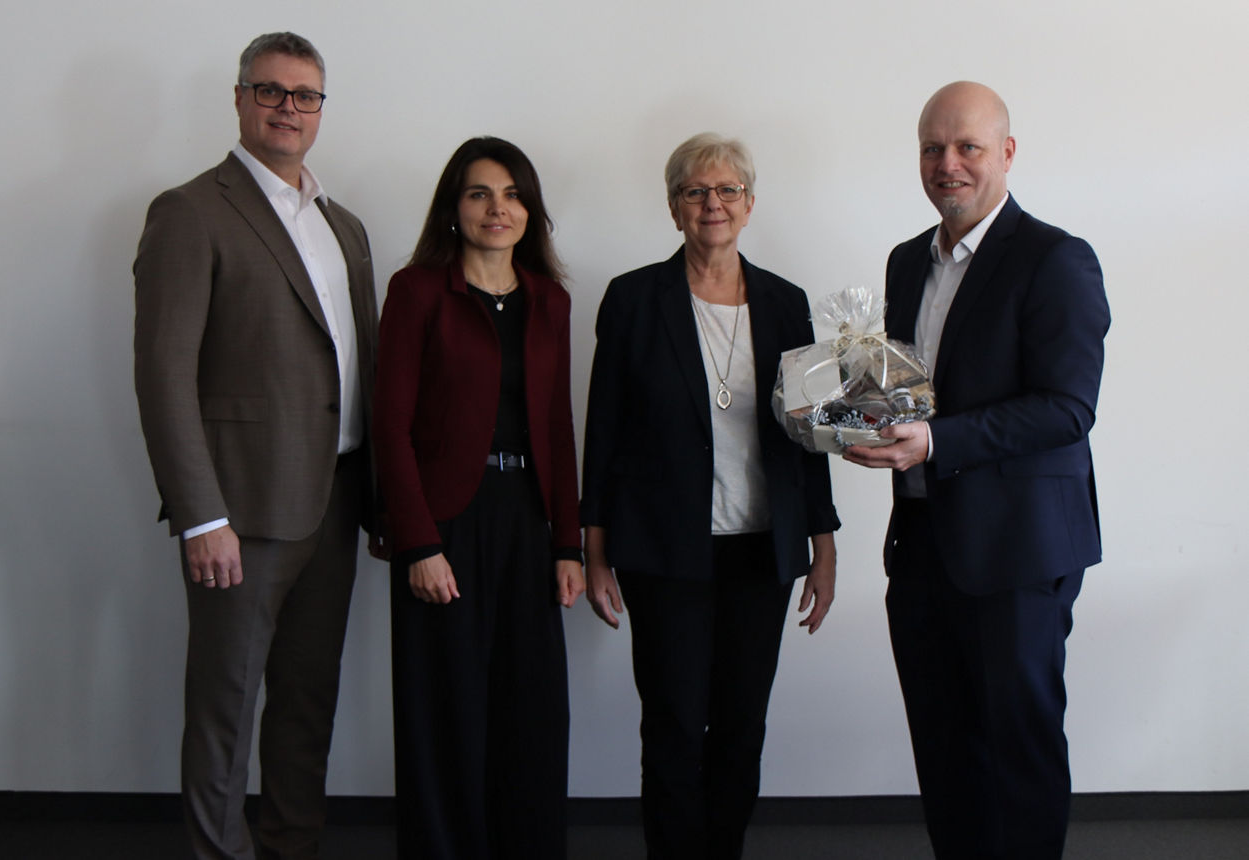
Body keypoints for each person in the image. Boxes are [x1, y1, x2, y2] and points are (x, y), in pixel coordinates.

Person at [843, 82, 1110, 859]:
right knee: (945, 751)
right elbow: (909, 392)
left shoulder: (1056, 259)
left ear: (1007, 154)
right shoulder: (903, 264)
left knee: (1018, 753)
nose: (948, 164)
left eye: (967, 147)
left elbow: (1067, 408)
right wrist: (846, 417)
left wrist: (934, 442)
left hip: (1018, 554)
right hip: (924, 544)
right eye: (933, 148)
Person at [133, 32, 377, 859]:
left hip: (336, 501)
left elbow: (363, 366)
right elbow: (163, 375)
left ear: (320, 110)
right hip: (241, 509)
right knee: (226, 708)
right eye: (269, 91)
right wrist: (202, 516)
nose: (287, 108)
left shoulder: (345, 226)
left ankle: (290, 846)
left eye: (304, 95)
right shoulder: (192, 210)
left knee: (308, 701)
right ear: (239, 99)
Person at [579, 133, 841, 860]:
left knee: (739, 727)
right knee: (670, 724)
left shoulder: (788, 305)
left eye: (727, 191)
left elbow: (810, 439)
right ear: (674, 209)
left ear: (750, 206)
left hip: (764, 554)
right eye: (696, 192)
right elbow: (603, 433)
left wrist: (823, 549)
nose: (712, 205)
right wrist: (593, 552)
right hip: (665, 557)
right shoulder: (633, 299)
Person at [371, 137, 584, 860]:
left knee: (530, 712)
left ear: (532, 210)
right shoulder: (418, 291)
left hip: (526, 520)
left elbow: (557, 428)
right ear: (453, 209)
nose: (499, 208)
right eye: (479, 194)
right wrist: (418, 542)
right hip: (446, 526)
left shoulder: (550, 301)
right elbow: (388, 427)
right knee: (445, 714)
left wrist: (567, 544)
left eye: (513, 194)